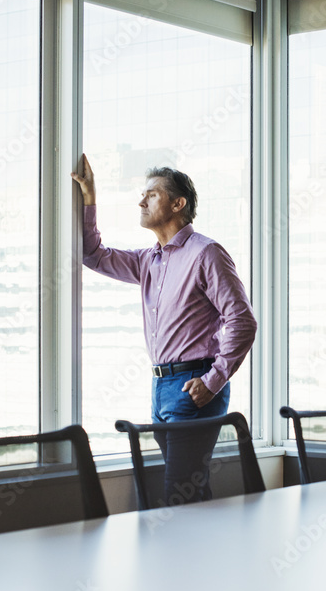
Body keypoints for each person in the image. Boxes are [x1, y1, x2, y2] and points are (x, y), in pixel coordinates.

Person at [72, 155, 257, 506]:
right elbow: (91, 254)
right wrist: (89, 198)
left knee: (179, 493)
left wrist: (213, 380)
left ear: (178, 203)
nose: (141, 201)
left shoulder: (206, 253)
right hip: (161, 386)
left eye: (152, 194)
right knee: (189, 492)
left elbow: (242, 320)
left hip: (195, 385)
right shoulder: (148, 260)